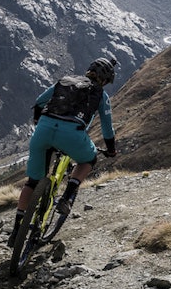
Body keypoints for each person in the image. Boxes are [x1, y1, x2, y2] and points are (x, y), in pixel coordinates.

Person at [8, 56, 118, 247]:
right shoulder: (101, 95)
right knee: (88, 160)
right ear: (105, 80)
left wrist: (37, 120)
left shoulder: (65, 82)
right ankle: (66, 197)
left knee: (32, 182)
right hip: (72, 136)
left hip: (43, 130)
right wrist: (110, 150)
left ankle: (17, 230)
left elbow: (40, 101)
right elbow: (108, 129)